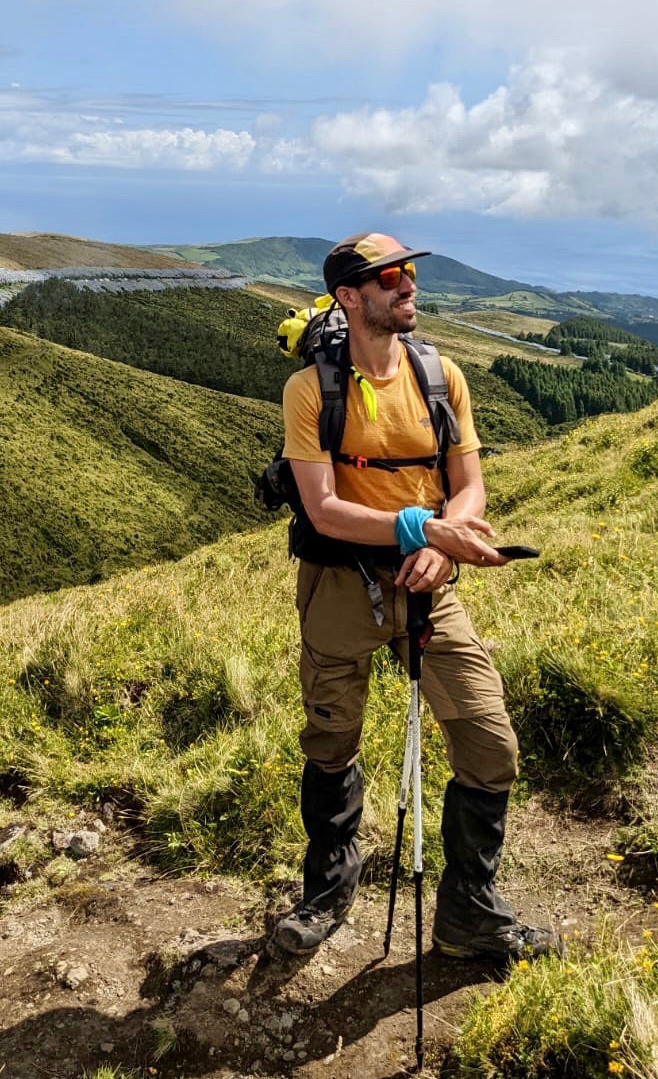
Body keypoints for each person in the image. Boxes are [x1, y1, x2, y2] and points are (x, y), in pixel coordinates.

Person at [270, 232, 556, 961]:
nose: (409, 287)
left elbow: (470, 487)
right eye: (390, 276)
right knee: (331, 743)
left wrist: (437, 542)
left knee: (490, 744)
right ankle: (329, 887)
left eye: (409, 273)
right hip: (339, 588)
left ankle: (468, 911)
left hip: (429, 589)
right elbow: (324, 507)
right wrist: (416, 528)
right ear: (349, 297)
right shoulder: (309, 391)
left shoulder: (440, 375)